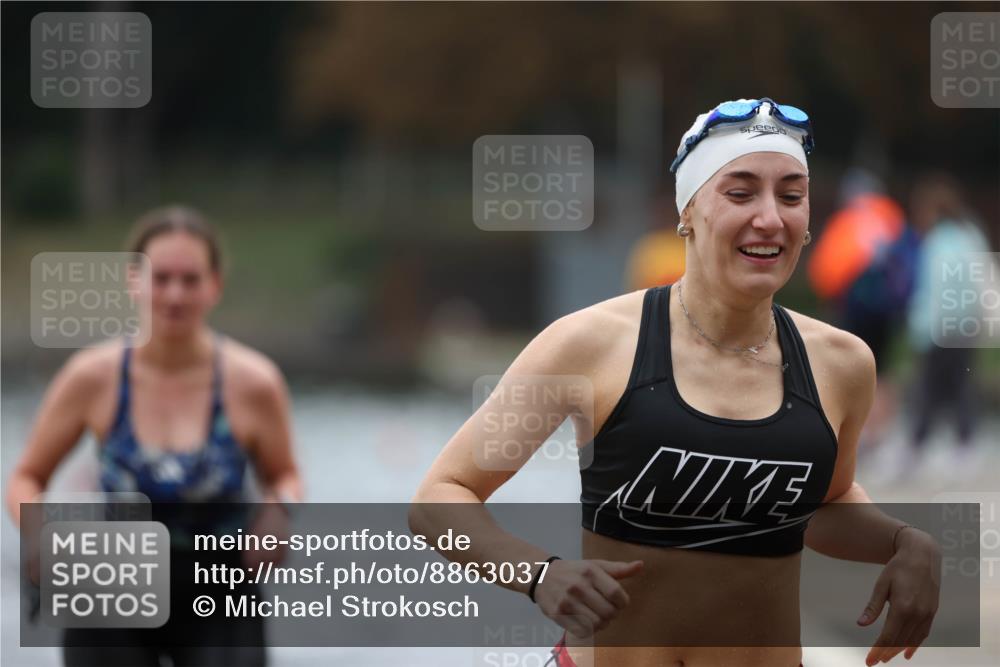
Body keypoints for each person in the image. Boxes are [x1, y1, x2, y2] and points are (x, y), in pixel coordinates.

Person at [410, 99, 942, 667]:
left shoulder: (842, 363)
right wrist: (540, 575)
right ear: (687, 211)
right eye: (740, 193)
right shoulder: (592, 345)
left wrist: (905, 541)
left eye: (791, 196)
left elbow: (826, 506)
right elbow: (441, 496)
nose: (770, 218)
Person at [5, 205, 303, 666]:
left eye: (190, 279)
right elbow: (27, 475)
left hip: (219, 581)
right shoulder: (92, 376)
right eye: (160, 278)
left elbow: (284, 473)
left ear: (215, 285)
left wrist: (279, 513)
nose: (175, 295)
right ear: (134, 282)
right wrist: (37, 536)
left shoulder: (254, 383)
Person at [904, 172, 990, 477]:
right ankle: (961, 444)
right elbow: (983, 281)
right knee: (959, 385)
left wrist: (922, 330)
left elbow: (934, 291)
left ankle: (917, 447)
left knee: (930, 388)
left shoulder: (938, 242)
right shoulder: (971, 235)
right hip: (965, 326)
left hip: (940, 328)